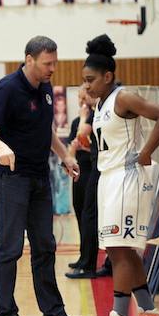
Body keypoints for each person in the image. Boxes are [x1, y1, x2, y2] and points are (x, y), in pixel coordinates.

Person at [0, 35, 88, 316]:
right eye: (47, 63)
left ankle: (53, 315)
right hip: (11, 177)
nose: (52, 68)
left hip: (39, 176)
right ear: (29, 60)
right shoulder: (7, 89)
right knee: (10, 247)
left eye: (55, 63)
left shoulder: (45, 88)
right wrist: (1, 147)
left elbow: (46, 130)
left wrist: (65, 156)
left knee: (45, 245)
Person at [80, 34, 159, 316]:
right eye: (84, 80)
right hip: (109, 178)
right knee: (122, 248)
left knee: (119, 250)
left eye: (91, 80)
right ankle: (148, 313)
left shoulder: (123, 98)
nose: (86, 86)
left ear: (108, 76)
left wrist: (146, 151)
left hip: (126, 178)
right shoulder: (101, 104)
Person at [66, 89, 96, 278]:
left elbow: (81, 138)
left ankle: (88, 261)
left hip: (91, 170)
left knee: (88, 216)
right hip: (79, 169)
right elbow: (72, 146)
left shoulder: (92, 117)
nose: (81, 100)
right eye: (79, 96)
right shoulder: (77, 121)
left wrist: (80, 144)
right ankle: (83, 255)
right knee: (79, 211)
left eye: (84, 96)